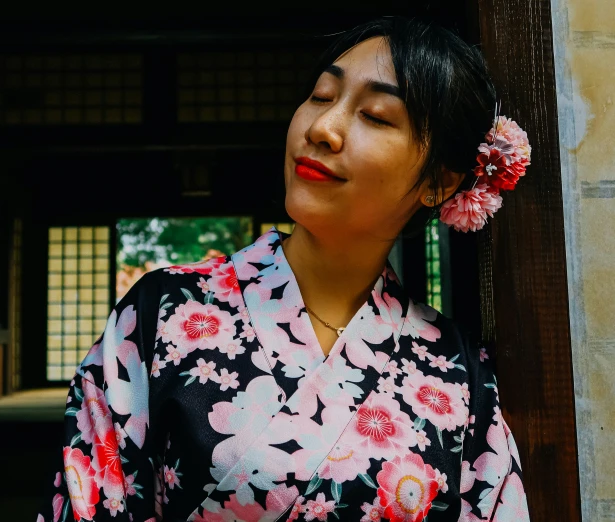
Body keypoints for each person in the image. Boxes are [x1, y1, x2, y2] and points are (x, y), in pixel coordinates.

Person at [37, 17, 530, 522]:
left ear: (441, 184)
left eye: (377, 116)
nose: (322, 128)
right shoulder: (162, 313)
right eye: (321, 95)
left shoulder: (456, 371)